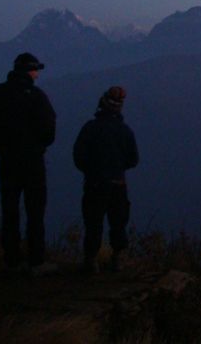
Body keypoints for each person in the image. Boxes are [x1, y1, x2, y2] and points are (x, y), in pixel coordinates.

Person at [0, 52, 56, 275]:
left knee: (10, 210)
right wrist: (34, 144)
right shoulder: (37, 97)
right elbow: (49, 132)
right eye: (36, 70)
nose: (37, 74)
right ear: (30, 71)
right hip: (33, 162)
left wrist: (2, 140)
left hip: (7, 160)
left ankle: (11, 260)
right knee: (35, 211)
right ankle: (36, 261)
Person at [73, 86, 138, 274]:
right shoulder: (125, 131)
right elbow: (133, 159)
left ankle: (91, 260)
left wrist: (90, 170)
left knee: (93, 223)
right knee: (118, 223)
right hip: (118, 184)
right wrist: (118, 168)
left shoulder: (90, 128)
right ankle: (118, 259)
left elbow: (78, 155)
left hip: (95, 184)